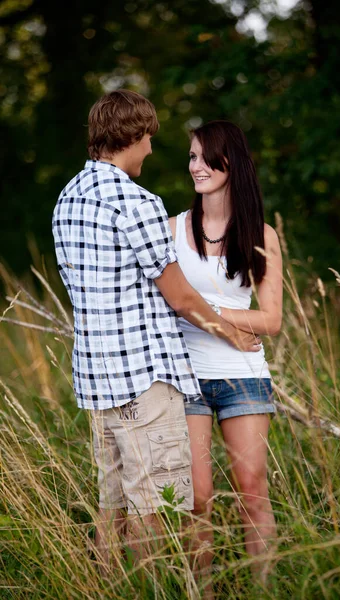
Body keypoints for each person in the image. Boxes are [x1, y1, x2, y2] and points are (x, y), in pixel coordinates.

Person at [52, 92, 260, 570]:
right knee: (157, 510)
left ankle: (107, 586)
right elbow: (180, 296)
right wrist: (233, 333)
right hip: (144, 382)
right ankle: (151, 588)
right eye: (148, 138)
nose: (150, 149)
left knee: (113, 507)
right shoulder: (135, 200)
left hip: (97, 382)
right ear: (132, 135)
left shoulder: (68, 197)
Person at [169, 120, 283, 591]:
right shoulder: (172, 228)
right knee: (198, 499)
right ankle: (205, 590)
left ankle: (265, 589)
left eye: (204, 157)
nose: (195, 166)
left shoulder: (262, 234)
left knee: (252, 491)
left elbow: (271, 320)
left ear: (230, 163)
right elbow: (166, 302)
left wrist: (201, 308)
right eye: (191, 157)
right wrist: (232, 314)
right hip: (184, 375)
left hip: (244, 375)